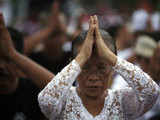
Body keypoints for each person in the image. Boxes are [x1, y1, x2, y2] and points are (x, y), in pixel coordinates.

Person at [38, 15, 159, 119]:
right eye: (85, 67)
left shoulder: (121, 101)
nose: (93, 77)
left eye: (101, 68)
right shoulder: (64, 99)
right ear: (74, 65)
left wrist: (109, 57)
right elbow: (45, 101)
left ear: (112, 67)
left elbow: (152, 92)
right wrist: (82, 57)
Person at [0, 13, 54, 120]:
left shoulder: (35, 94)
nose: (1, 66)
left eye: (7, 59)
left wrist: (12, 53)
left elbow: (63, 91)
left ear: (20, 61)